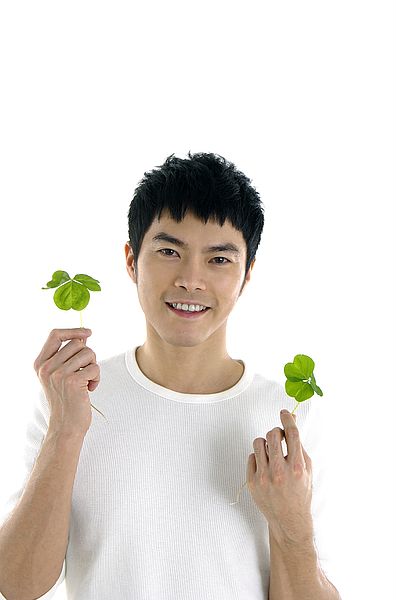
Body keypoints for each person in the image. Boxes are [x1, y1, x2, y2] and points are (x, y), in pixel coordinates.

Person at [0, 152, 341, 599]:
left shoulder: (289, 417)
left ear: (247, 276)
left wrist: (291, 526)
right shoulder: (72, 395)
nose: (191, 279)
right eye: (168, 251)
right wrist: (66, 430)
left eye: (219, 260)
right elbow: (18, 584)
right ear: (131, 260)